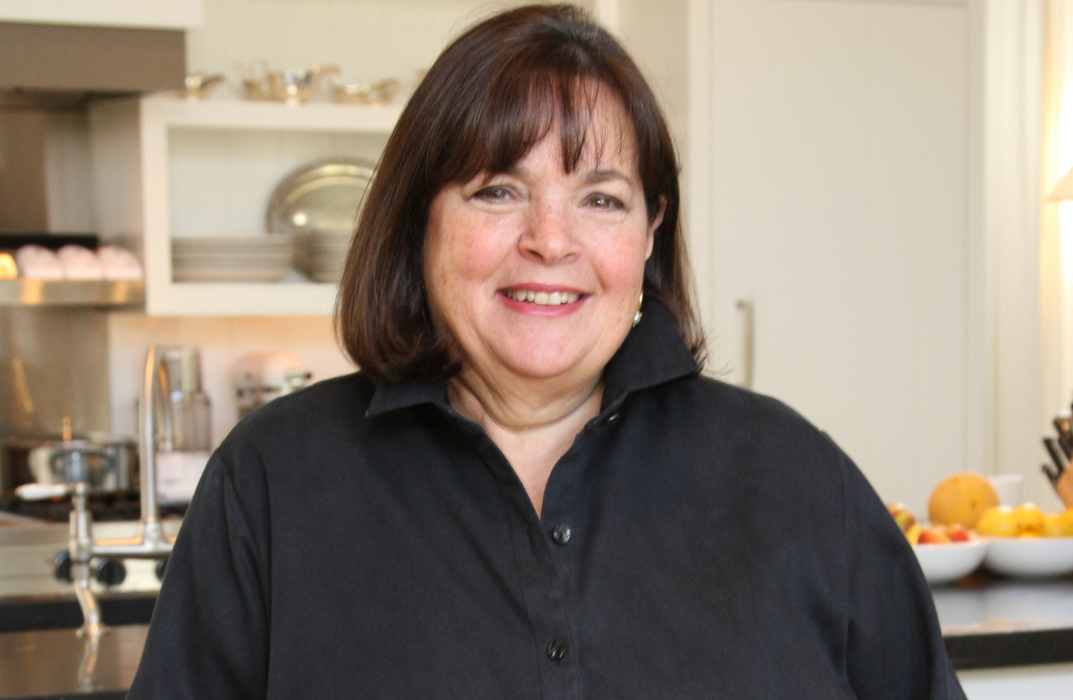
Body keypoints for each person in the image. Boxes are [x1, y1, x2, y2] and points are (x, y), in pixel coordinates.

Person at [128, 5, 965, 698]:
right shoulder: (271, 485)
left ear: (650, 233)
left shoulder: (799, 483)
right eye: (499, 191)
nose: (550, 241)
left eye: (602, 199)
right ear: (421, 218)